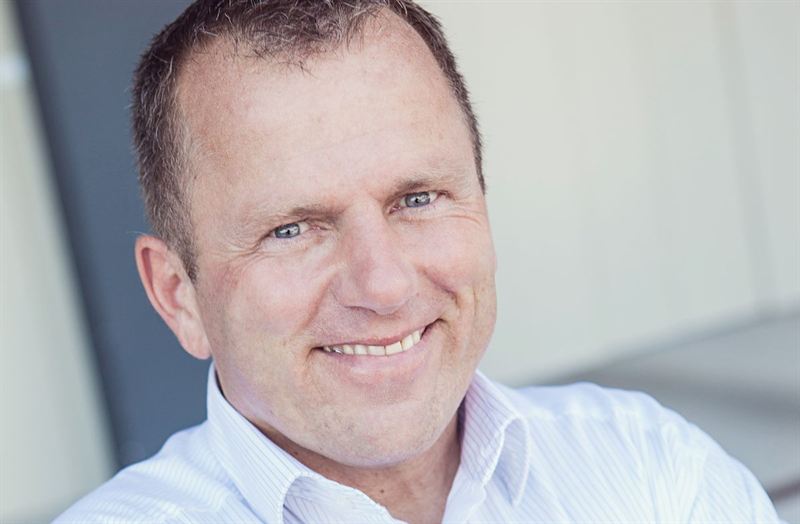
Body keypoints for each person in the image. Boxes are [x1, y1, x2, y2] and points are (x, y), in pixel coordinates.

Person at [57, 1, 783, 523]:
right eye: (291, 229)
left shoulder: (653, 469)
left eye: (418, 199)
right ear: (177, 295)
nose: (384, 284)